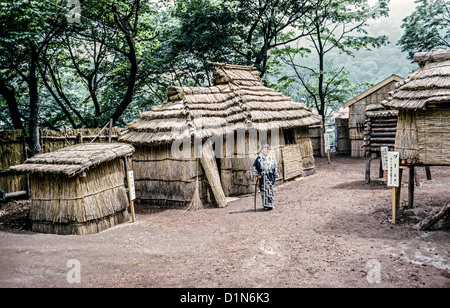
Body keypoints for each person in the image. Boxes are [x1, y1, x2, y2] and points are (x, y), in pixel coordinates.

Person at [252, 144, 279, 210]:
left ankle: (271, 204)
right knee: (264, 191)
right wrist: (257, 175)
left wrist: (275, 175)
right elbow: (255, 167)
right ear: (262, 150)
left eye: (267, 149)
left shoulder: (271, 159)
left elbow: (274, 167)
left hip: (270, 176)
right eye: (264, 149)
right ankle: (265, 205)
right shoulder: (259, 159)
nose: (266, 150)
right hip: (263, 177)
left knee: (270, 190)